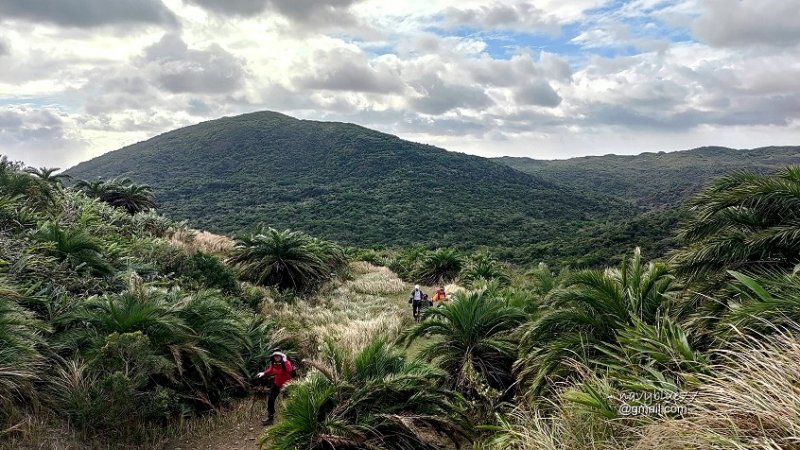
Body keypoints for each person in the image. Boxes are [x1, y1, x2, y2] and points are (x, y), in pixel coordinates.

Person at [256, 350, 294, 425]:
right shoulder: (274, 363)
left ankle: (289, 419)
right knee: (270, 400)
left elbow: (290, 370)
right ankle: (270, 418)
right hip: (277, 384)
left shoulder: (286, 363)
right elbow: (271, 370)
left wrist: (285, 360)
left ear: (281, 356)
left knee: (287, 401)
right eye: (275, 356)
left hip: (287, 385)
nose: (277, 357)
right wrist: (263, 373)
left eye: (278, 356)